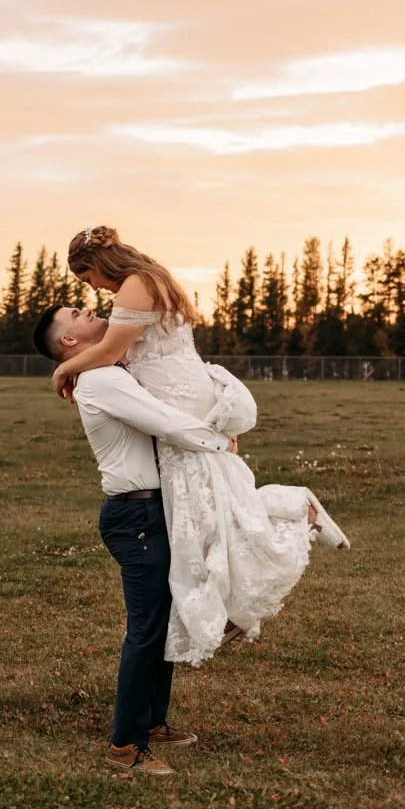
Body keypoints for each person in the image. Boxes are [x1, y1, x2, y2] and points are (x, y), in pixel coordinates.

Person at [50, 227, 349, 667]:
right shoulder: (148, 278)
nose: (92, 288)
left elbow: (112, 349)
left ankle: (258, 562)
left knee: (199, 511)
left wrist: (61, 372)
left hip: (177, 399)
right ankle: (231, 601)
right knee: (212, 505)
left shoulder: (134, 284)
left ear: (99, 262)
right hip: (183, 390)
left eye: (87, 277)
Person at [33, 303, 239, 776]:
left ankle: (152, 723)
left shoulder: (106, 369)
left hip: (153, 508)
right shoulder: (103, 381)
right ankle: (125, 745)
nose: (88, 308)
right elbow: (163, 420)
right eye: (76, 313)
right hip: (136, 514)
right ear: (68, 340)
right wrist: (218, 440)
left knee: (162, 622)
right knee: (146, 630)